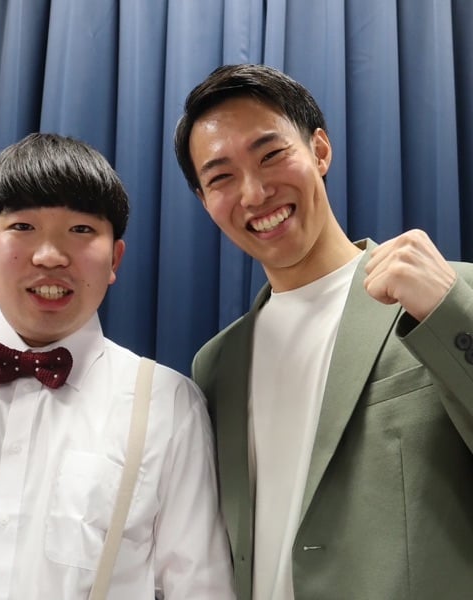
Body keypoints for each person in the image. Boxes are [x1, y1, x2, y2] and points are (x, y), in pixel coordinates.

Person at [0, 133, 236, 599]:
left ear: (114, 259)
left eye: (81, 230)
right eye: (23, 227)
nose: (50, 256)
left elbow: (201, 588)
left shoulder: (169, 404)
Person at [174, 63, 473, 600]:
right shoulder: (214, 364)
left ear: (319, 151)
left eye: (270, 155)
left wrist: (450, 313)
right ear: (204, 201)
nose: (254, 193)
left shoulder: (451, 293)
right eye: (220, 177)